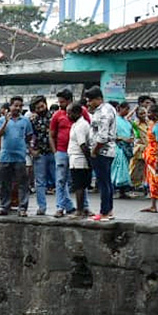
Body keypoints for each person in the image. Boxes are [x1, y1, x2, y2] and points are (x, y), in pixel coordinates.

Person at [0, 96, 33, 216]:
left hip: (20, 156)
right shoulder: (1, 120)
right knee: (4, 183)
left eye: (20, 106)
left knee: (22, 183)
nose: (18, 108)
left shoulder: (25, 121)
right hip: (5, 156)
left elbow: (29, 136)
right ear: (10, 106)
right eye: (15, 105)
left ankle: (22, 207)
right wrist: (6, 121)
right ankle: (4, 206)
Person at [49, 88, 84, 217]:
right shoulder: (57, 115)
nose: (60, 105)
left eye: (62, 102)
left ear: (70, 101)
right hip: (62, 151)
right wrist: (55, 152)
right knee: (60, 180)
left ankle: (83, 207)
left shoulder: (82, 112)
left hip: (77, 153)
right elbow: (51, 135)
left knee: (80, 181)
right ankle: (60, 207)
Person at [86, 86, 117, 221]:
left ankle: (104, 212)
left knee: (103, 183)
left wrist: (94, 151)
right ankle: (108, 210)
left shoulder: (103, 112)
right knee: (107, 181)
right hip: (107, 151)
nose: (88, 103)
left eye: (90, 100)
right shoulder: (109, 108)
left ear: (98, 99)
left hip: (102, 152)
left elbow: (103, 136)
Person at [66, 101, 93, 217]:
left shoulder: (81, 125)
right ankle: (81, 209)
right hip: (75, 158)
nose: (68, 116)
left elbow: (83, 145)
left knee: (79, 186)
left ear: (76, 113)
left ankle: (80, 210)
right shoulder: (76, 124)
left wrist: (89, 160)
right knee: (79, 186)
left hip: (79, 159)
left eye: (69, 113)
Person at [29, 95, 52, 215]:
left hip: (54, 153)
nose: (41, 109)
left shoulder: (54, 117)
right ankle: (41, 207)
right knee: (40, 182)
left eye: (42, 106)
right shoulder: (33, 120)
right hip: (40, 154)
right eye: (38, 108)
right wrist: (31, 150)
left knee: (60, 181)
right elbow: (28, 136)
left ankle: (62, 206)